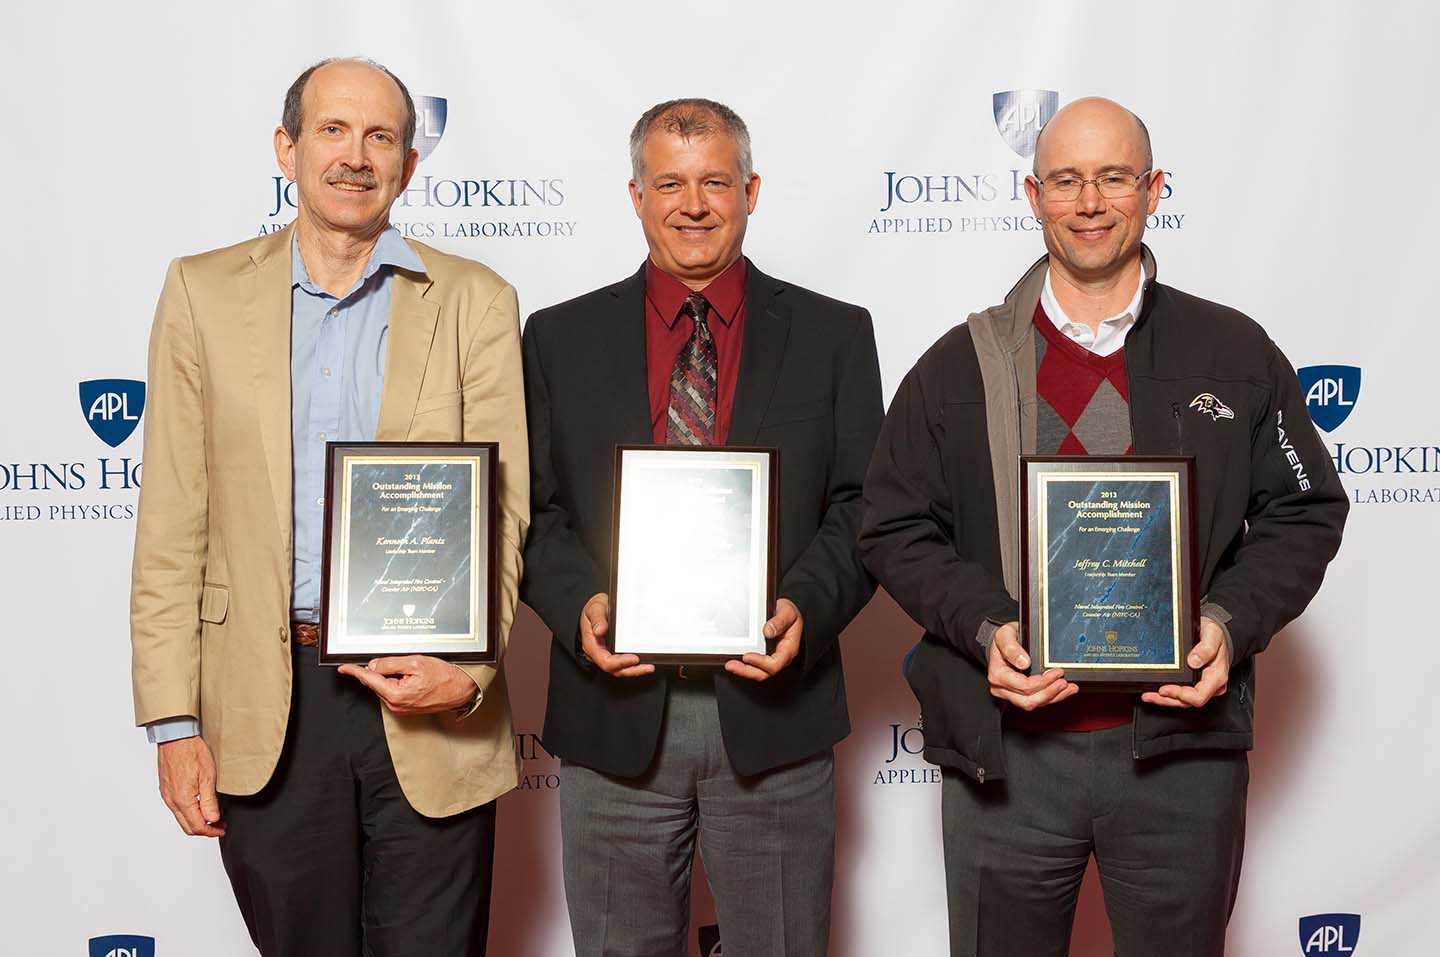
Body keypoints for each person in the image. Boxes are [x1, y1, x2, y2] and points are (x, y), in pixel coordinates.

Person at [858, 96, 1347, 956]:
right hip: (1007, 753)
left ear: (1154, 188)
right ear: (1032, 193)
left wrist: (1227, 627)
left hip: (1178, 754)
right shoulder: (957, 365)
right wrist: (986, 626)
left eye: (1114, 177)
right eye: (1066, 180)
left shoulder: (1233, 351)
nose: (1089, 202)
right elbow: (894, 524)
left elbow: (1303, 511)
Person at [129, 57, 528, 957]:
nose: (356, 156)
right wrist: (174, 721)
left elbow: (502, 516)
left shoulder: (477, 301)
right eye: (333, 131)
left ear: (409, 165)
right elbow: (170, 525)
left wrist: (471, 670)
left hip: (429, 696)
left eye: (381, 136)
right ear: (288, 148)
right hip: (264, 703)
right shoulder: (200, 291)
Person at [520, 97, 883, 956]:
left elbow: (866, 504)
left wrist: (806, 604)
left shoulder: (834, 333)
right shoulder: (556, 338)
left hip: (774, 714)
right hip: (614, 715)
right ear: (636, 196)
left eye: (715, 181)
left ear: (751, 191)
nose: (693, 204)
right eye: (670, 183)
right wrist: (580, 610)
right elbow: (532, 510)